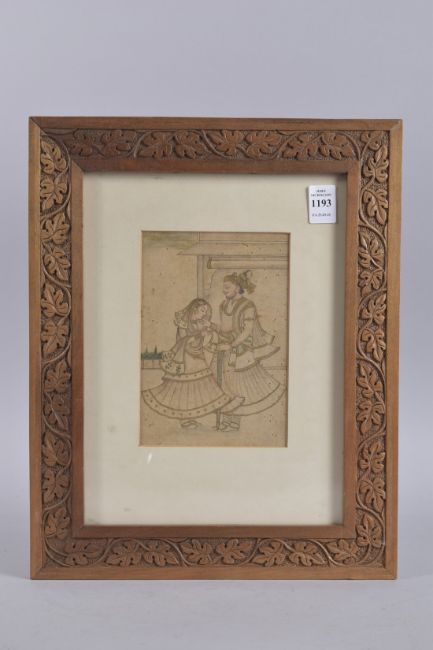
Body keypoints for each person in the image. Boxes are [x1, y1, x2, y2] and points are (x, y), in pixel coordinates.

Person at [142, 298, 243, 428]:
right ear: (194, 309)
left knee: (204, 386)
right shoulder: (184, 323)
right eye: (202, 310)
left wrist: (213, 338)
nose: (204, 314)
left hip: (198, 359)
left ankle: (227, 408)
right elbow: (183, 341)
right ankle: (185, 420)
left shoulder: (202, 323)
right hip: (185, 359)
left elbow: (213, 336)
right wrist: (200, 335)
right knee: (184, 389)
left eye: (206, 311)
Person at [214, 271, 285, 431]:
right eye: (223, 288)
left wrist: (232, 344)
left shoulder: (248, 306)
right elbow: (225, 328)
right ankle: (226, 420)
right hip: (224, 348)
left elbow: (247, 330)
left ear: (237, 287)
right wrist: (212, 327)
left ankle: (234, 423)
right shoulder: (223, 305)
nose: (224, 291)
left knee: (237, 386)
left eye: (227, 287)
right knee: (225, 385)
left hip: (241, 350)